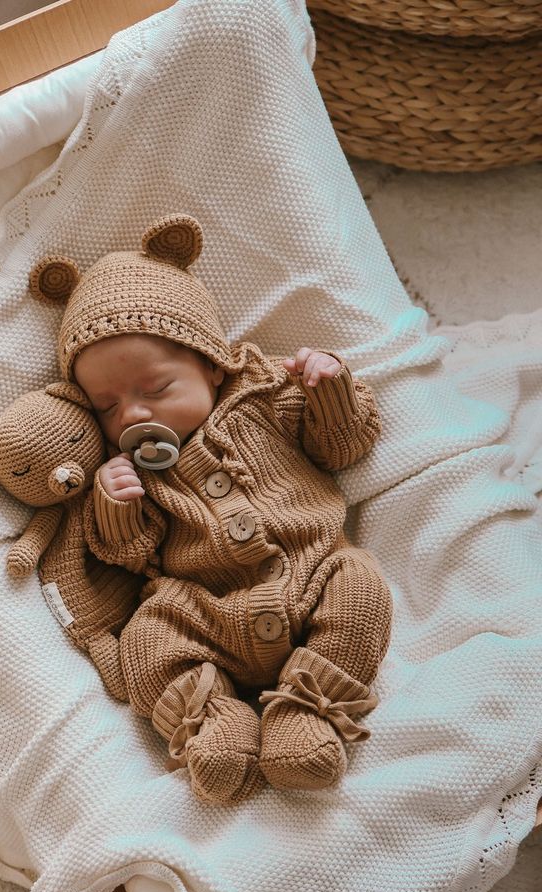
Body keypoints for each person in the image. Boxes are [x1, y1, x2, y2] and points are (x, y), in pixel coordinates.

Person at [31, 214, 392, 805]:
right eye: (106, 405)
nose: (132, 415)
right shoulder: (128, 469)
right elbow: (125, 555)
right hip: (205, 609)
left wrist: (329, 389)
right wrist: (114, 503)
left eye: (155, 389)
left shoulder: (267, 399)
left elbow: (345, 446)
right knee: (146, 637)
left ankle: (308, 712)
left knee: (361, 587)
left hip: (309, 575)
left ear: (210, 363)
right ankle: (214, 725)